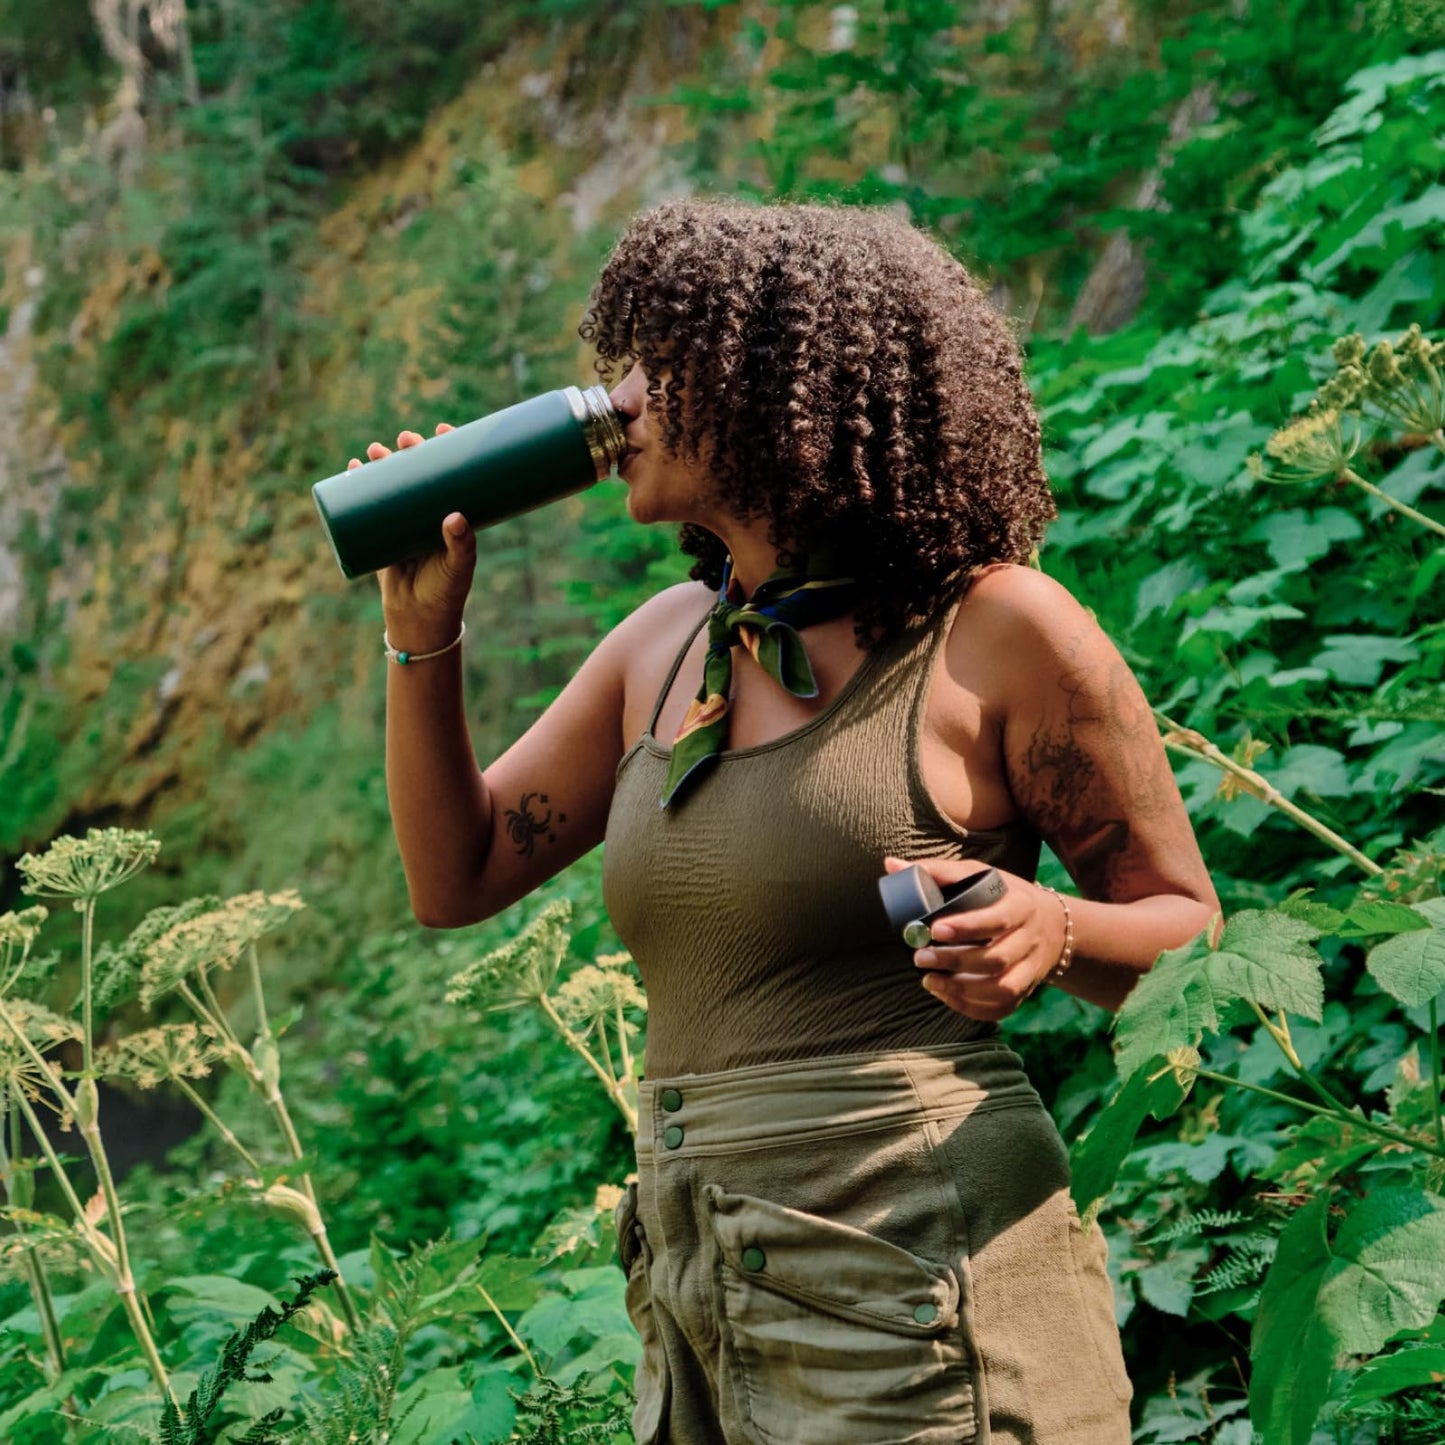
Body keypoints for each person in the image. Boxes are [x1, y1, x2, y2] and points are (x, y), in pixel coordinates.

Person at [350, 199, 1219, 1445]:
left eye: (659, 366)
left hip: (916, 1291)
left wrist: (1055, 929)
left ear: (780, 392)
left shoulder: (1000, 632)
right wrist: (422, 637)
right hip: (695, 1300)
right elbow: (458, 872)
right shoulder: (663, 645)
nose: (618, 401)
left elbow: (1191, 934)